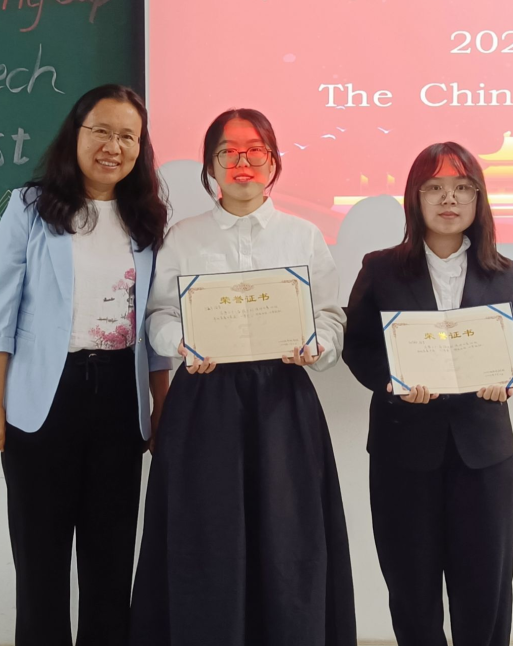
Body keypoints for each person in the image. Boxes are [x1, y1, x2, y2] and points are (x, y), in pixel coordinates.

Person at [130, 108, 357, 646]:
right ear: (210, 166)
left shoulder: (303, 236)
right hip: (204, 403)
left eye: (255, 151)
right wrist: (180, 341)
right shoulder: (183, 238)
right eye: (227, 152)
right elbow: (158, 315)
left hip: (283, 403)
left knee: (288, 537)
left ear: (273, 162)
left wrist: (317, 345)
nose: (242, 162)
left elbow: (330, 318)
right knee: (207, 537)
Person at [0, 84, 171, 646]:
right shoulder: (30, 207)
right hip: (43, 399)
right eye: (101, 131)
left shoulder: (146, 217)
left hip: (120, 399)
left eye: (128, 137)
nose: (114, 146)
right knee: (41, 563)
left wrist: (162, 405)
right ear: (76, 135)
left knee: (111, 562)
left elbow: (153, 319)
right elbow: (0, 309)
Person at [342, 142, 513, 646]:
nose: (449, 199)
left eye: (462, 188)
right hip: (403, 451)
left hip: (484, 454)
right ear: (415, 197)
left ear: (478, 199)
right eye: (435, 188)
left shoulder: (504, 272)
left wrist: (507, 378)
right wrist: (393, 382)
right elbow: (358, 347)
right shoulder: (381, 268)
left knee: (486, 592)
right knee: (412, 591)